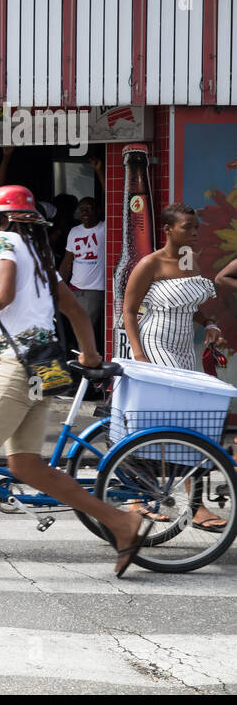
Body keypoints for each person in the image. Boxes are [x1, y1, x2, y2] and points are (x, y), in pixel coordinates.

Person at [0, 185, 150, 581]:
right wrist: (89, 355)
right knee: (26, 464)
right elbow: (74, 310)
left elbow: (0, 296)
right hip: (44, 364)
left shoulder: (2, 241)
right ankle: (121, 523)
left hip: (17, 364)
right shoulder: (39, 257)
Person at [122, 202, 230, 530]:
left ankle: (138, 497)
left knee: (169, 426)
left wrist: (210, 322)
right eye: (188, 228)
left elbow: (189, 306)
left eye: (197, 228)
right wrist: (140, 356)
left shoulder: (190, 261)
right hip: (155, 344)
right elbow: (128, 311)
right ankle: (193, 508)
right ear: (168, 230)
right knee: (184, 426)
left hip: (184, 348)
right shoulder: (149, 264)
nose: (196, 234)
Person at [60, 196, 107, 348]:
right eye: (81, 209)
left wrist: (101, 172)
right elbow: (67, 263)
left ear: (98, 210)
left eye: (89, 208)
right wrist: (58, 286)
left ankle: (87, 367)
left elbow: (115, 200)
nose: (85, 212)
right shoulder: (74, 231)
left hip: (94, 291)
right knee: (74, 330)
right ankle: (81, 365)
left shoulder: (105, 228)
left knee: (85, 331)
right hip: (74, 289)